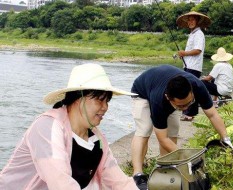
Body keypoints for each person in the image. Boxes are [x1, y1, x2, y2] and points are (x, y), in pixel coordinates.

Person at [0, 63, 139, 190]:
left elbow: (119, 182)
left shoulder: (98, 140)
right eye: (99, 99)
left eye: (107, 101)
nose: (105, 107)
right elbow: (60, 181)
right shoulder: (47, 127)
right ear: (79, 98)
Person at [130, 65, 233, 189]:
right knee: (144, 130)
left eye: (189, 103)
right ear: (169, 98)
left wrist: (226, 139)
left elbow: (212, 114)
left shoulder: (198, 86)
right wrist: (186, 158)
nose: (185, 108)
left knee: (173, 130)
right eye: (181, 106)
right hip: (142, 92)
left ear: (191, 91)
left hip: (164, 85)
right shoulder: (159, 101)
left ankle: (165, 168)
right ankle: (137, 174)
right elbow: (162, 138)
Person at [176, 11, 211, 121]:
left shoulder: (199, 34)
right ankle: (188, 112)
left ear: (197, 21)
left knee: (190, 89)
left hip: (194, 67)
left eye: (193, 20)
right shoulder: (192, 34)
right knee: (189, 88)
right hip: (189, 65)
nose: (190, 22)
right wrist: (183, 56)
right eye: (189, 20)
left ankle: (189, 114)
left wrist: (184, 53)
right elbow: (191, 51)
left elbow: (198, 50)